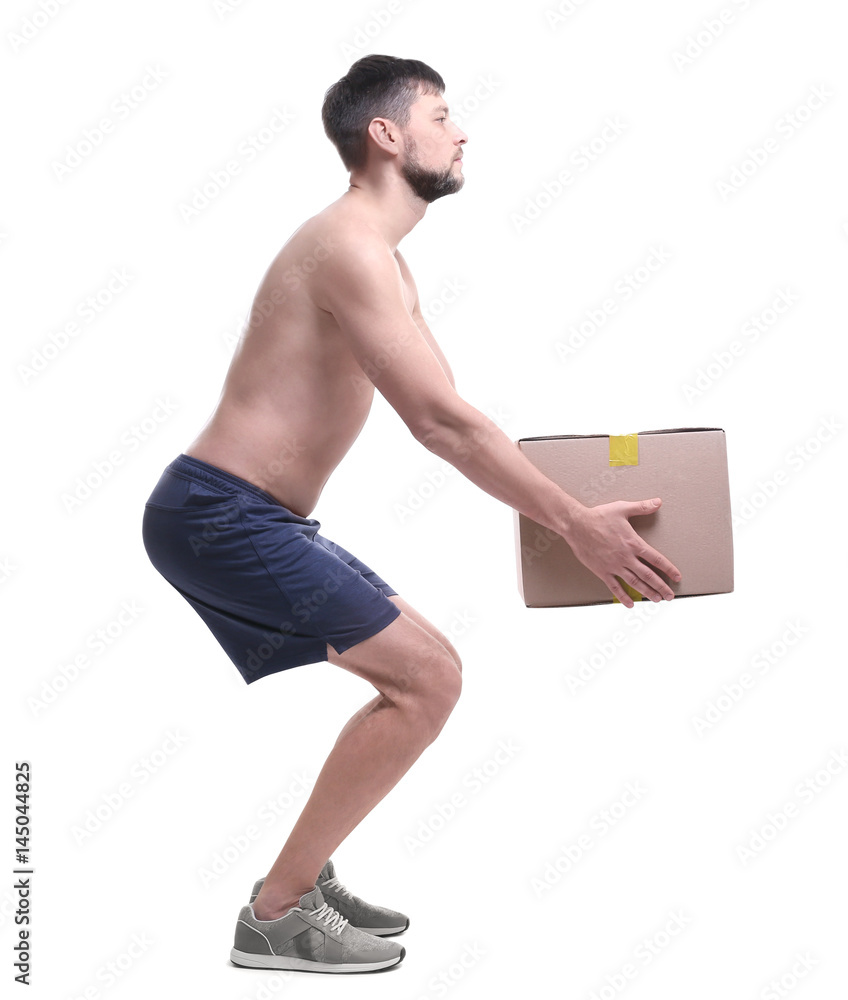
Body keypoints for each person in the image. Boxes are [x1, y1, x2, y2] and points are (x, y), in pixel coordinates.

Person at [142, 54, 682, 975]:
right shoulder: (347, 246)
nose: (462, 130)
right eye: (442, 113)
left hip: (248, 516)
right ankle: (276, 916)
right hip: (220, 515)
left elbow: (457, 412)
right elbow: (438, 424)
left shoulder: (385, 260)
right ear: (386, 135)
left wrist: (576, 504)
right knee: (428, 680)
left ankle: (296, 883)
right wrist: (572, 525)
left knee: (429, 674)